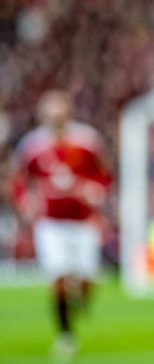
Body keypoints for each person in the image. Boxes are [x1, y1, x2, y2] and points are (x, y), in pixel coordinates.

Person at [9, 89, 114, 361]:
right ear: (43, 116)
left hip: (83, 222)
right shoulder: (32, 145)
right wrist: (25, 202)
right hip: (51, 223)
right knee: (58, 277)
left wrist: (96, 191)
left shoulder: (87, 141)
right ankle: (66, 336)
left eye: (60, 114)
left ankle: (78, 302)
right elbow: (18, 179)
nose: (56, 119)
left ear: (68, 113)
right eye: (51, 115)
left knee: (85, 279)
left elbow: (105, 174)